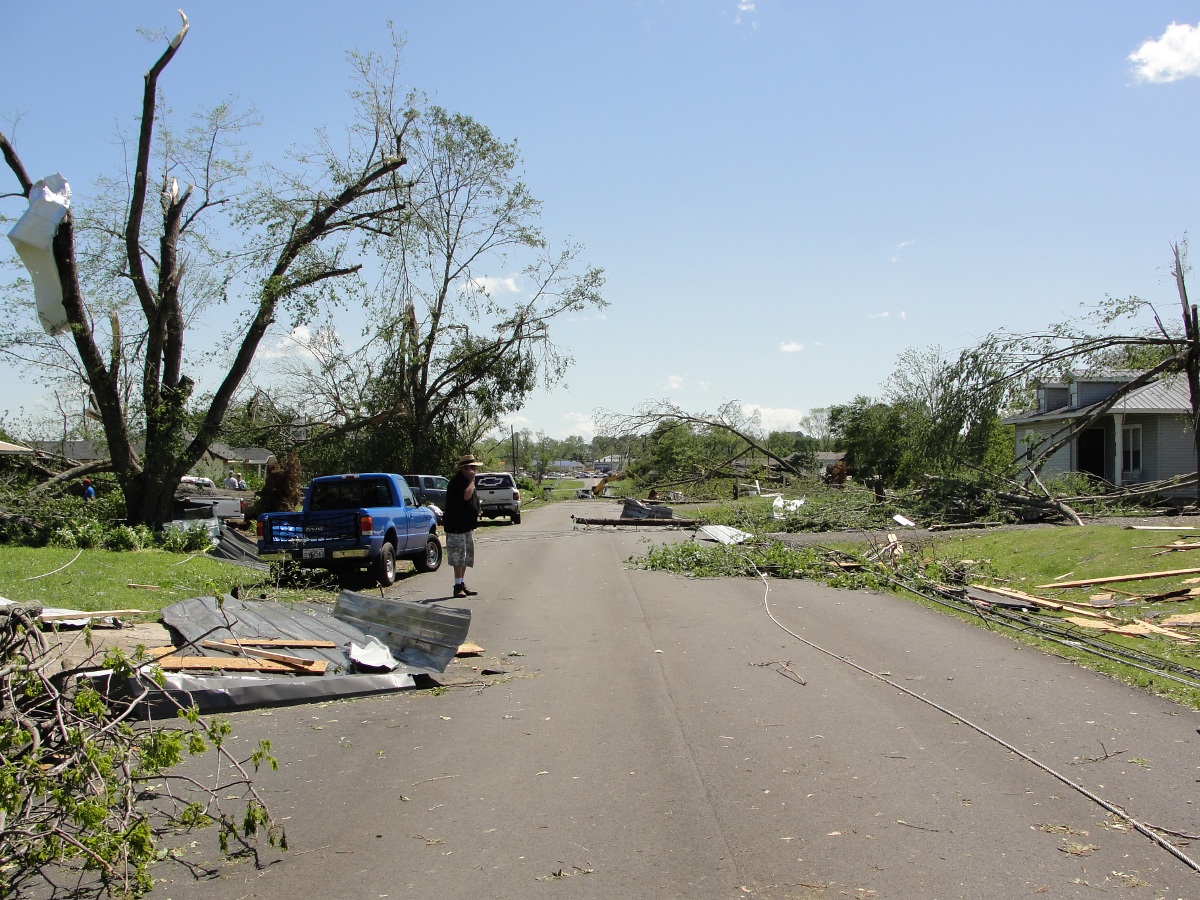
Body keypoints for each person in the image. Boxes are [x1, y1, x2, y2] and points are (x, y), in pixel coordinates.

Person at [443, 454, 481, 599]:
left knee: (466, 557)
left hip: (466, 526)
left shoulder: (468, 481)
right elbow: (466, 496)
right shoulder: (457, 481)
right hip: (456, 526)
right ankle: (457, 586)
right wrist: (472, 481)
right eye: (471, 467)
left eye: (474, 467)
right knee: (458, 557)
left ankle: (462, 583)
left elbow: (472, 499)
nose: (474, 470)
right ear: (464, 469)